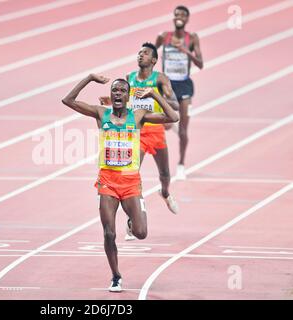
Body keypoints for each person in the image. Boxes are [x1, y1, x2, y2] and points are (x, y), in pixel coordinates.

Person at [62, 74, 178, 292]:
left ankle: (132, 223)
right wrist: (89, 78)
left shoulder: (139, 116)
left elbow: (173, 117)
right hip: (107, 181)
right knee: (109, 233)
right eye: (114, 90)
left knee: (141, 233)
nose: (117, 94)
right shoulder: (101, 113)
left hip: (131, 182)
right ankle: (115, 275)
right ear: (111, 94)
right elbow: (68, 100)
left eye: (122, 91)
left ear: (128, 96)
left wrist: (154, 94)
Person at [100, 42, 180, 223]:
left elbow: (174, 105)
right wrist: (110, 101)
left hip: (156, 130)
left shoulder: (160, 79)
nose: (140, 55)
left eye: (145, 53)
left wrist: (154, 95)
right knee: (132, 172)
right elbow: (123, 100)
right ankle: (133, 217)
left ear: (153, 60)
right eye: (139, 53)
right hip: (137, 132)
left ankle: (165, 193)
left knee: (165, 173)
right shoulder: (130, 77)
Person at [156, 5, 204, 180]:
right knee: (164, 123)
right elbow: (151, 54)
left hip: (184, 86)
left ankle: (181, 164)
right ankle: (171, 125)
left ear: (187, 19)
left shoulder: (192, 38)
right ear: (174, 17)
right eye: (177, 14)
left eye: (183, 15)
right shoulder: (164, 37)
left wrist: (185, 51)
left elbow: (200, 63)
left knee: (184, 130)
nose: (180, 17)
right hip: (166, 85)